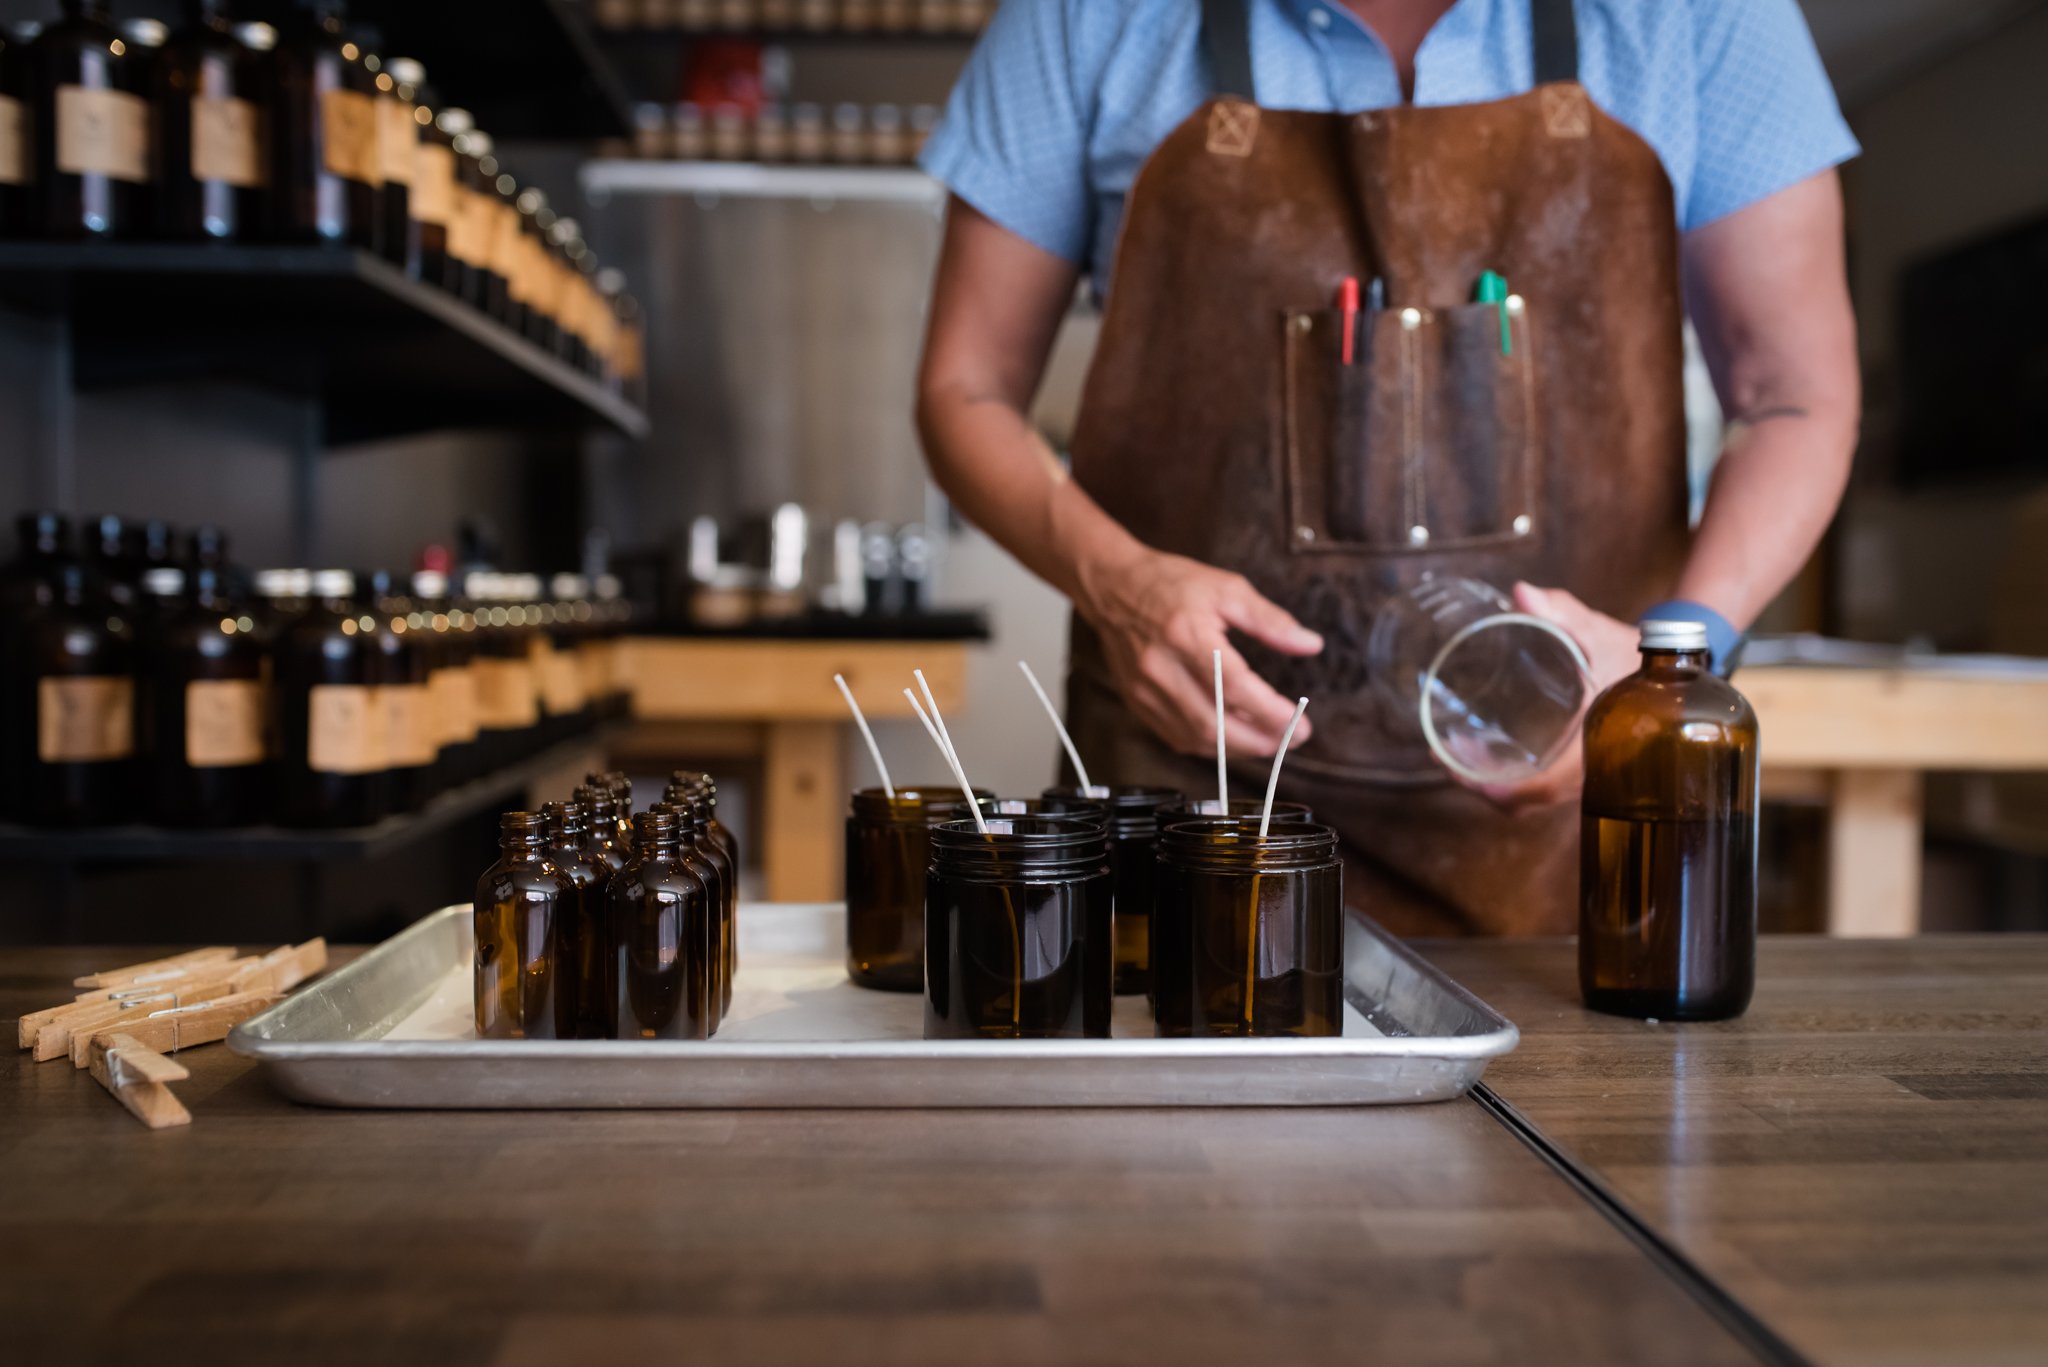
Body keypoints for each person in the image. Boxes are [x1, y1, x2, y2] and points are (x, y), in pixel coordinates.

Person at [913, 0, 1860, 935]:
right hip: (1191, 821)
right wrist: (1115, 581)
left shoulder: (1703, 19)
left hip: (1569, 824)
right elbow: (966, 387)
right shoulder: (1081, 16)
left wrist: (1667, 664)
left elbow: (1796, 396)